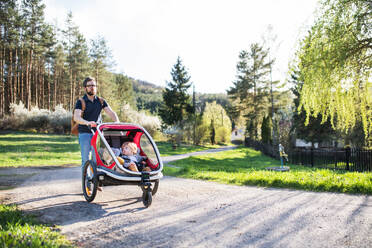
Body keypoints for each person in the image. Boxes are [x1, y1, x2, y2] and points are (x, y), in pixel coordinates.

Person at [73, 77, 119, 178]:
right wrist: (87, 122)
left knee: (97, 159)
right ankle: (87, 184)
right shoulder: (81, 101)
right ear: (85, 88)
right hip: (85, 132)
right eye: (90, 86)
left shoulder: (101, 101)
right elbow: (76, 117)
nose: (92, 88)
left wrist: (117, 122)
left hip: (98, 133)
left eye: (94, 85)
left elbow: (111, 112)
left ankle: (96, 181)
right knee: (85, 159)